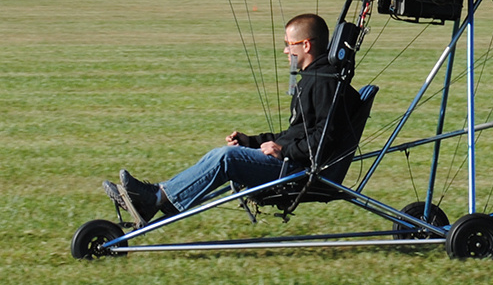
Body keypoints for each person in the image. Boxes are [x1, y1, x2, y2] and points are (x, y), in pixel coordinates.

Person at [104, 13, 360, 225]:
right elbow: (298, 132)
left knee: (226, 158)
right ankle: (156, 196)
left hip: (298, 170)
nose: (285, 50)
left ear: (306, 45)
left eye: (288, 44)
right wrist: (251, 141)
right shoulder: (315, 80)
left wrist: (283, 150)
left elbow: (324, 139)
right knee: (223, 153)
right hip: (291, 161)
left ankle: (154, 198)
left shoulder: (324, 83)